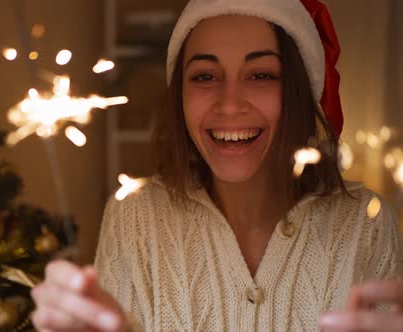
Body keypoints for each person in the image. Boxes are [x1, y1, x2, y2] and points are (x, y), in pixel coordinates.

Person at [31, 0, 403, 331]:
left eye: (261, 75)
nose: (229, 104)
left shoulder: (366, 225)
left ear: (299, 91)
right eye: (205, 77)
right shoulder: (133, 219)